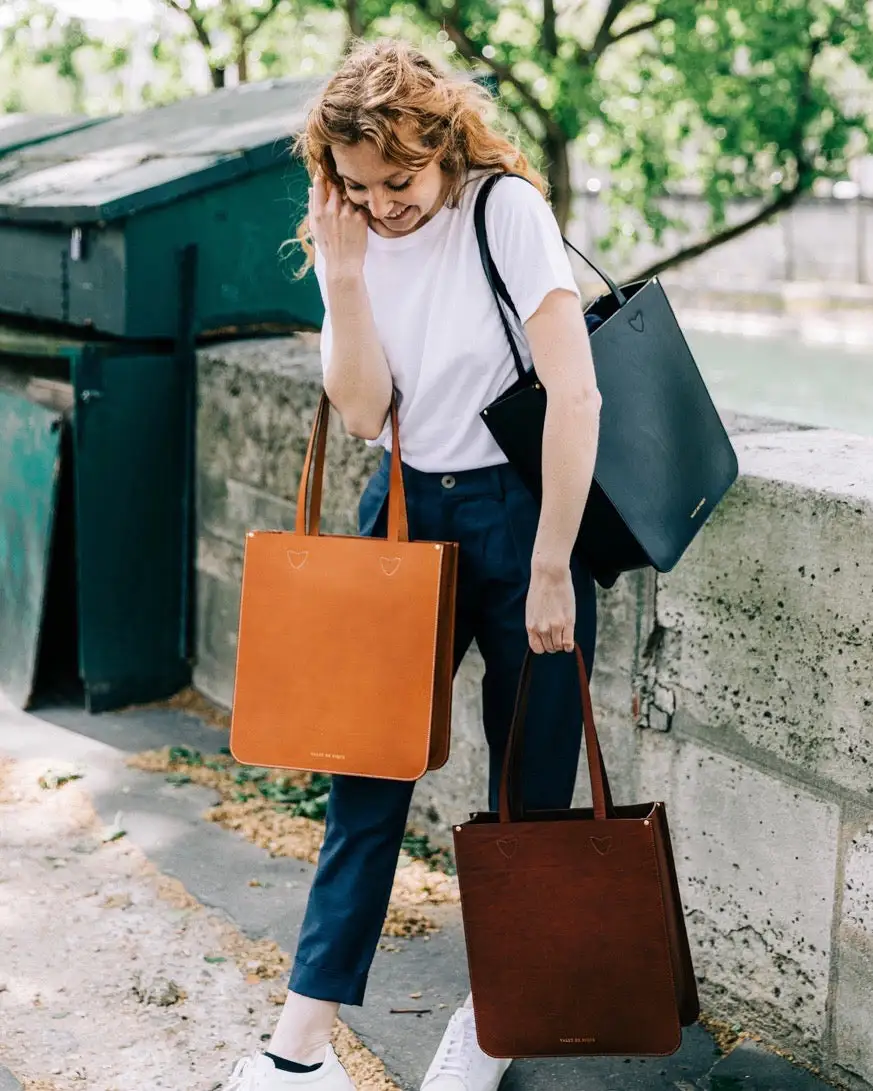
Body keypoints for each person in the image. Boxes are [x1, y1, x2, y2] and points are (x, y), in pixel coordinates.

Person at [226, 36, 601, 1091]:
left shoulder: (504, 210)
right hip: (398, 516)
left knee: (528, 791)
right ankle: (300, 1050)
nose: (383, 206)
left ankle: (495, 1023)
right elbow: (360, 411)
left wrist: (553, 561)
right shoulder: (348, 230)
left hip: (521, 515)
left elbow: (576, 392)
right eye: (359, 186)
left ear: (441, 146)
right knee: (365, 776)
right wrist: (344, 274)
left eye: (400, 183)